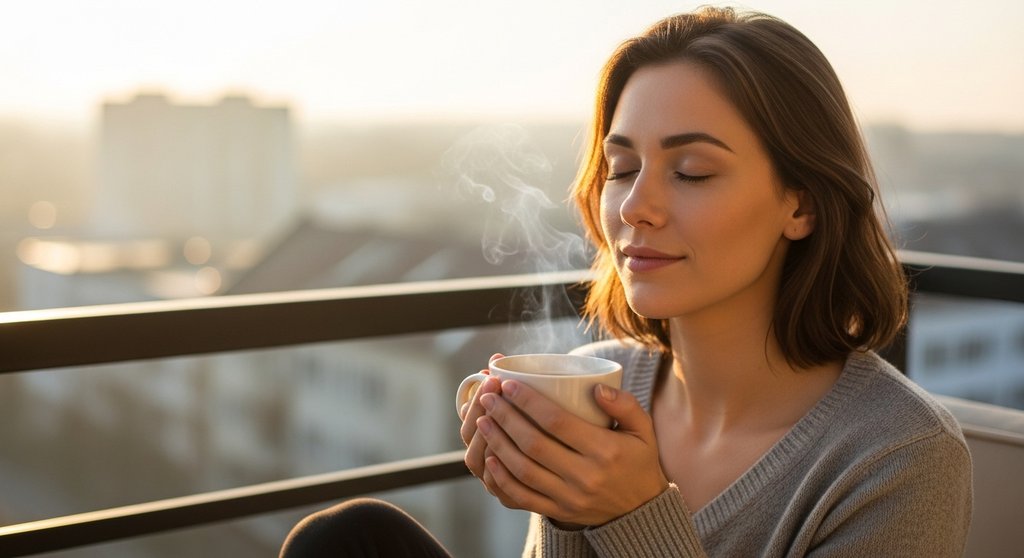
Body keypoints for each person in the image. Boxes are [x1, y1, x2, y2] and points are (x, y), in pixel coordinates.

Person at [280, 6, 972, 557]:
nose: (636, 205)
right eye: (621, 168)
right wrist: (555, 501)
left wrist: (632, 515)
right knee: (345, 539)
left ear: (803, 204)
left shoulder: (899, 457)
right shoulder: (598, 383)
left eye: (692, 171)